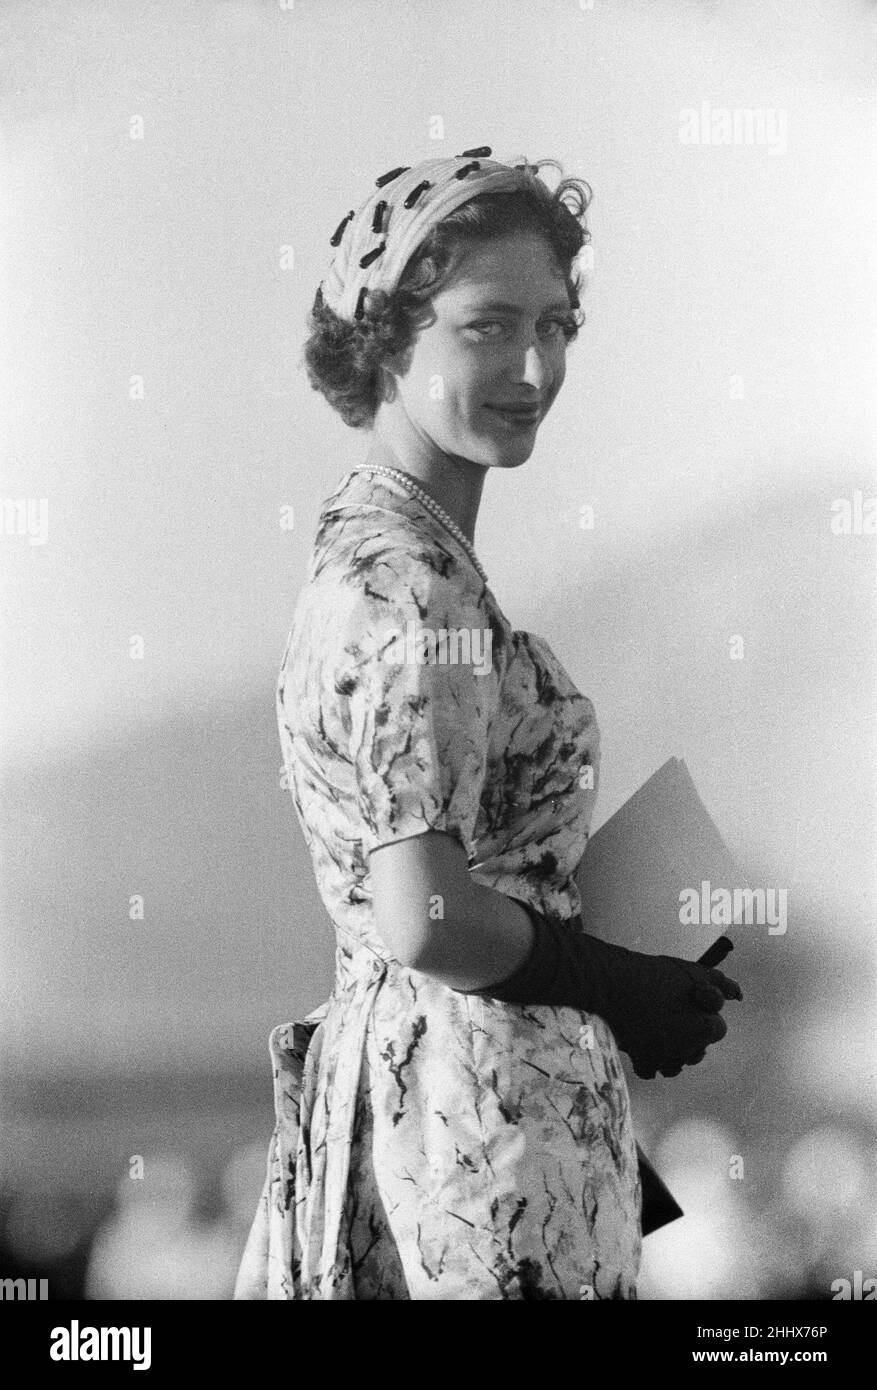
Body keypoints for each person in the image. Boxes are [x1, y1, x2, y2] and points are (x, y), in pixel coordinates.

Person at [233, 147, 742, 1301]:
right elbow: (425, 916)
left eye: (556, 324)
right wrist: (613, 978)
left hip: (463, 1104)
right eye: (487, 327)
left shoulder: (397, 559)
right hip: (469, 1132)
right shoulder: (408, 584)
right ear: (386, 339)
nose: (533, 364)